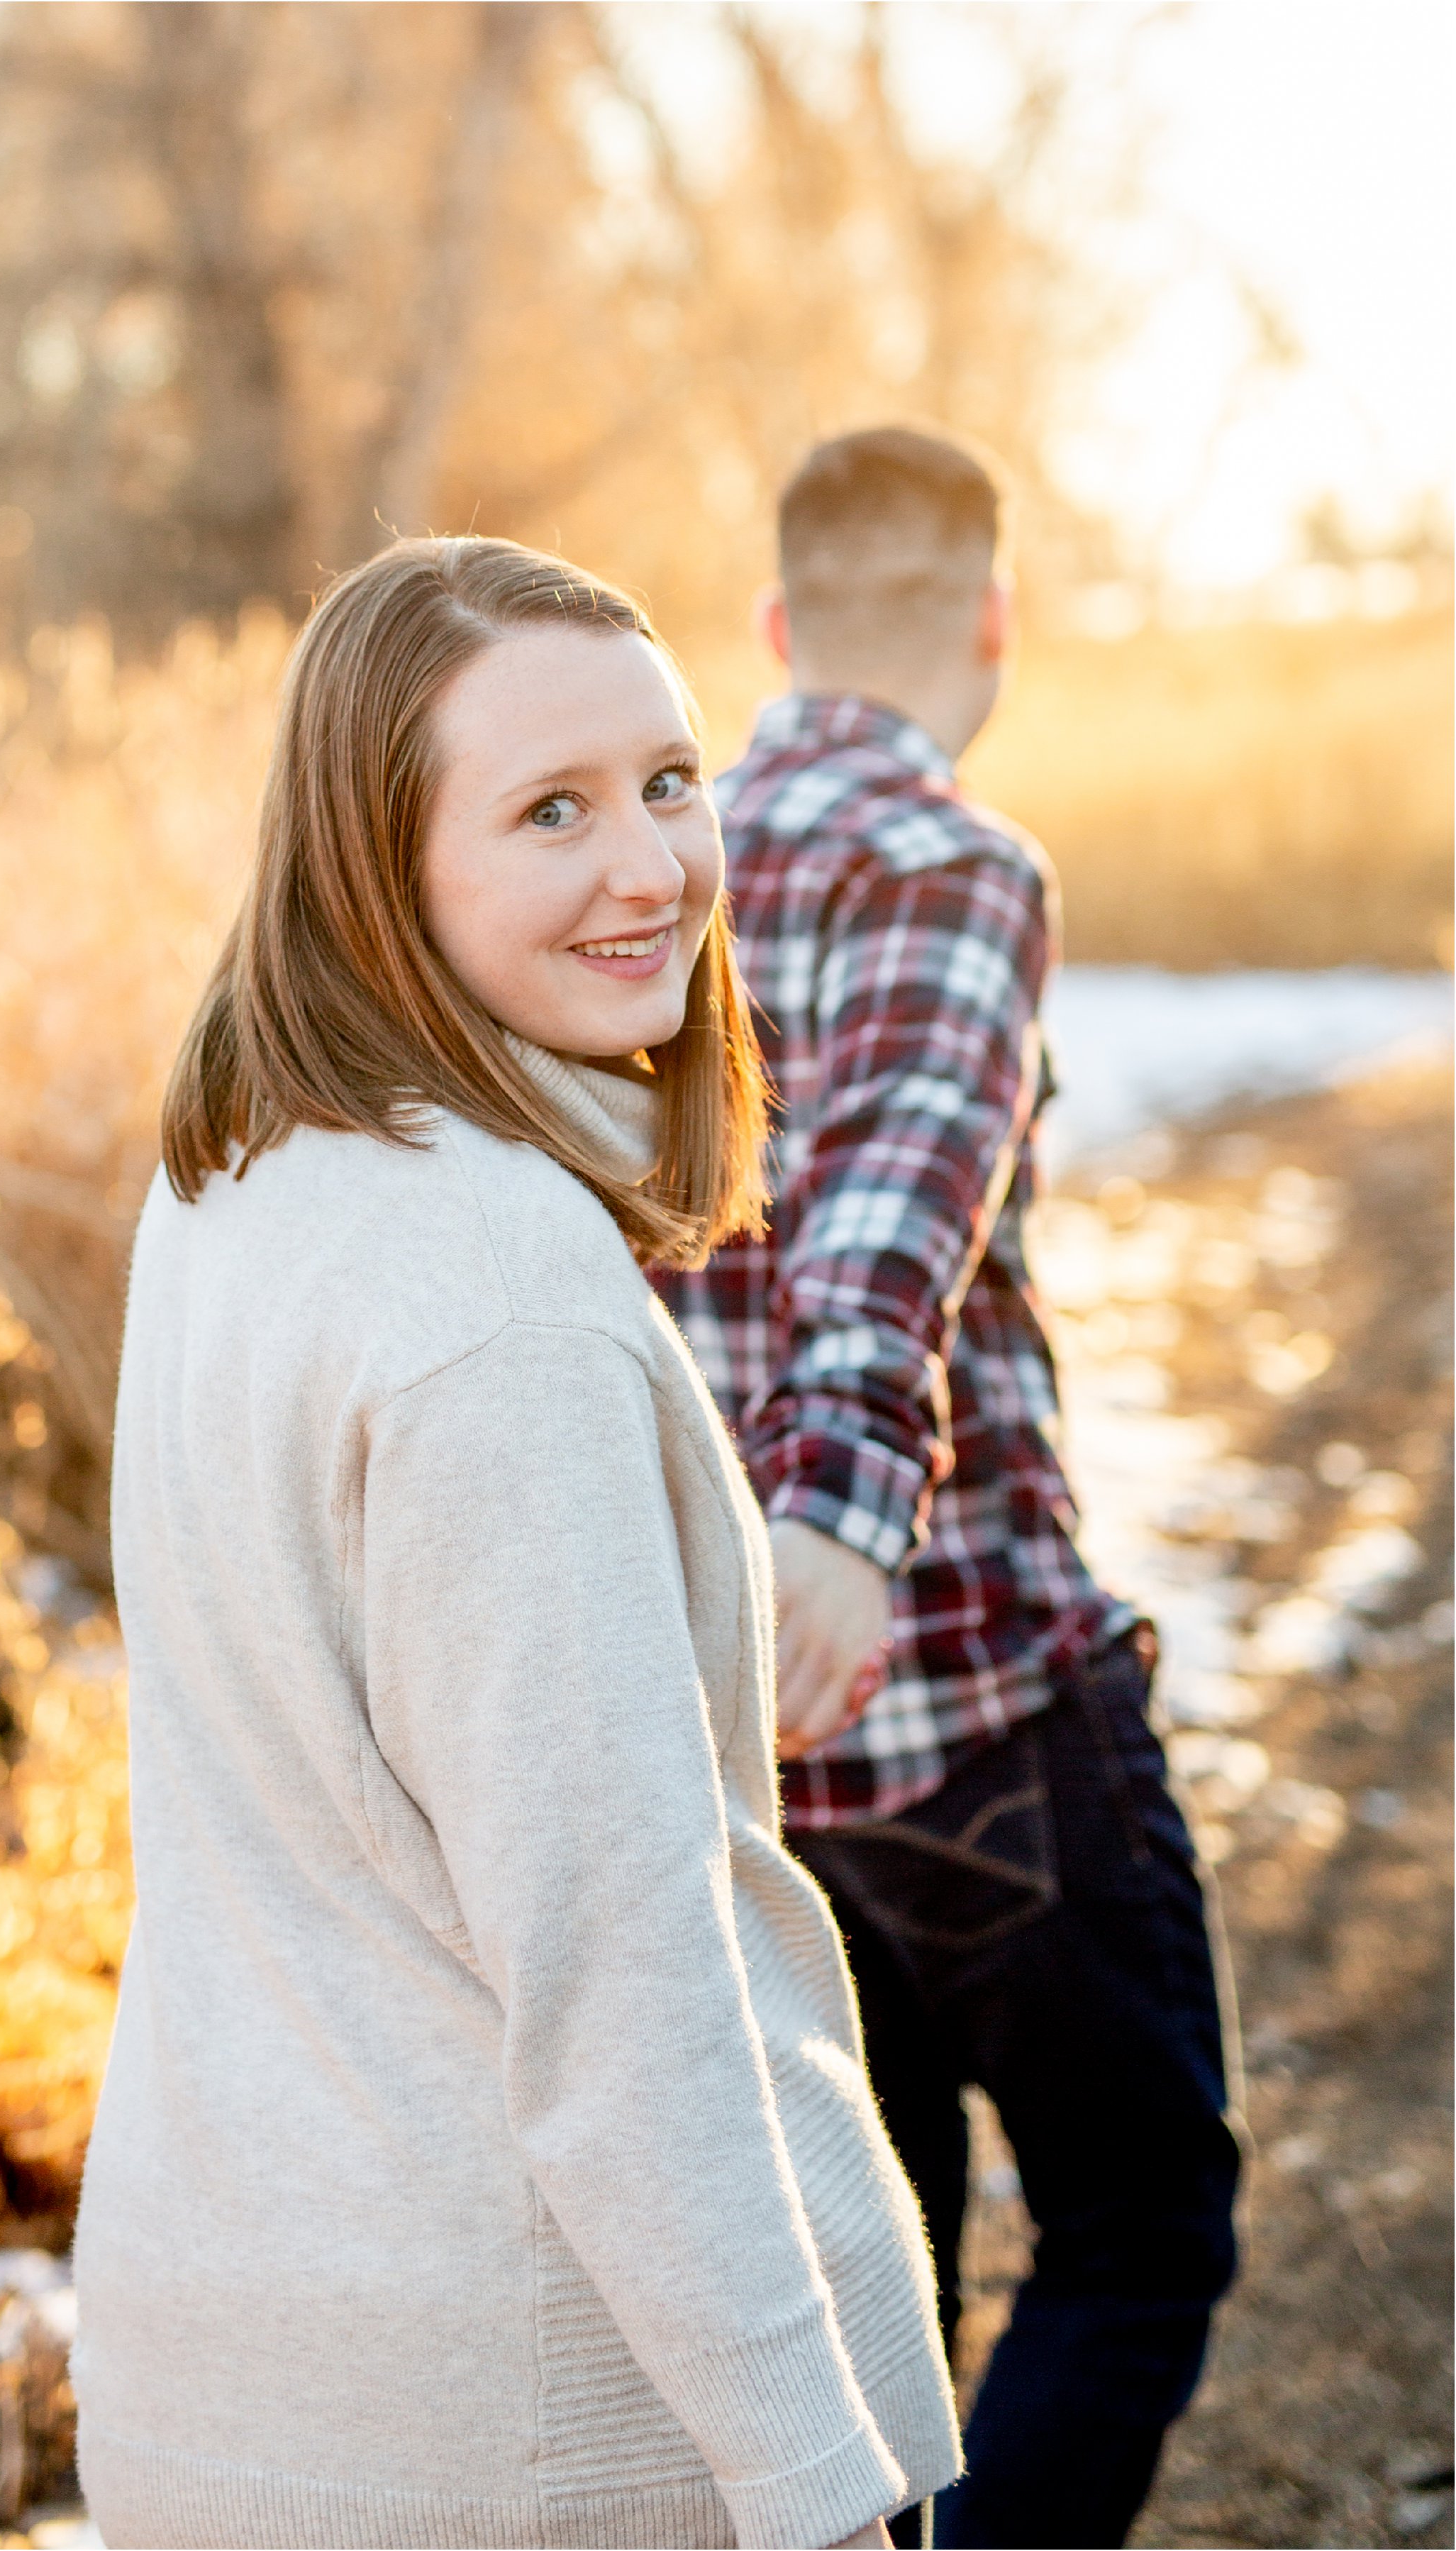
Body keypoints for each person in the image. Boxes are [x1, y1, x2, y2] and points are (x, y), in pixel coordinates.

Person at [70, 536, 961, 2551]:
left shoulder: (245, 1177)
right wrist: (815, 2484)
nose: (650, 869)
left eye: (668, 779)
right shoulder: (501, 1297)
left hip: (243, 2367)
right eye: (548, 809)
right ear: (384, 865)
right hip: (537, 2428)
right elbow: (621, 1975)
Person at [653, 429, 1244, 2551]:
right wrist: (849, 1511)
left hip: (757, 1740)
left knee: (872, 2292)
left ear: (781, 631)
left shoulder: (648, 871)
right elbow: (897, 1198)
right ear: (992, 621)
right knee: (1146, 2216)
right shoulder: (957, 863)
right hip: (972, 1690)